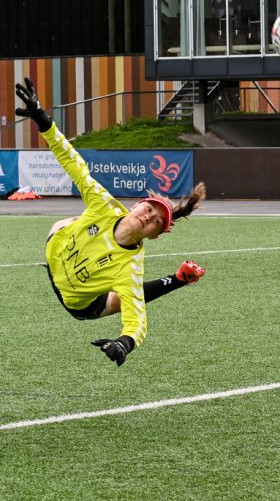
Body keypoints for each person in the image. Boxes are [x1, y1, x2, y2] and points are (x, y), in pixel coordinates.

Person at [13, 78, 207, 367]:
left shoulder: (130, 267)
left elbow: (136, 320)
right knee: (70, 220)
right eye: (149, 209)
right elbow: (74, 163)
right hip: (56, 251)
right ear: (136, 204)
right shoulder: (105, 205)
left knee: (125, 297)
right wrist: (44, 121)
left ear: (154, 235)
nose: (148, 217)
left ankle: (177, 280)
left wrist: (124, 342)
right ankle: (173, 276)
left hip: (79, 302)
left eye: (156, 222)